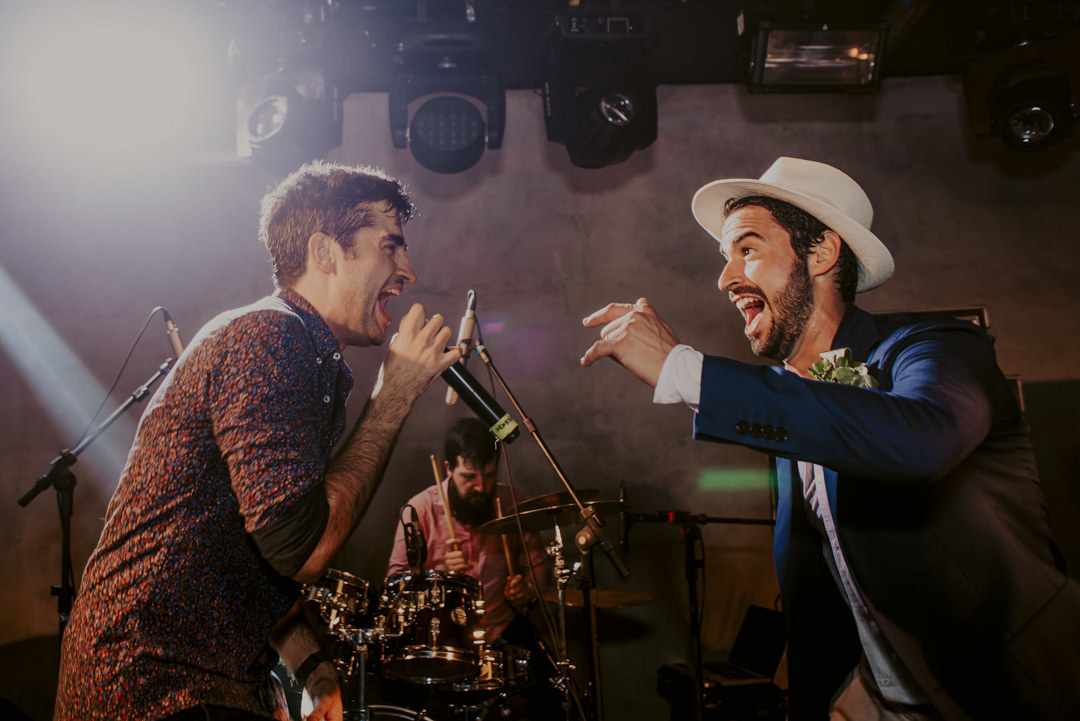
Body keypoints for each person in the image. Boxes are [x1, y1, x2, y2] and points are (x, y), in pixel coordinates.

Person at [580, 157, 1080, 721]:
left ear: (821, 253)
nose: (725, 279)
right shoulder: (794, 400)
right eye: (725, 258)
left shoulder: (935, 346)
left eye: (746, 249)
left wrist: (684, 369)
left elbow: (924, 441)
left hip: (1006, 690)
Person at [54, 161, 462, 721]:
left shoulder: (300, 354)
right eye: (389, 247)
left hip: (193, 682)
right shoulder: (268, 337)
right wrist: (392, 398)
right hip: (152, 686)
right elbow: (303, 549)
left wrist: (317, 673)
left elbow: (255, 560)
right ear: (324, 252)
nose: (408, 270)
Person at [384, 417, 556, 717]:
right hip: (442, 636)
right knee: (398, 700)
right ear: (449, 469)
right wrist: (432, 578)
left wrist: (527, 589)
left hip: (501, 626)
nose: (481, 486)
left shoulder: (511, 502)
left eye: (489, 476)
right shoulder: (420, 509)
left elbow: (540, 569)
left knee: (556, 692)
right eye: (469, 476)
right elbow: (394, 582)